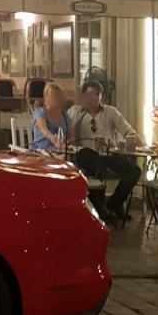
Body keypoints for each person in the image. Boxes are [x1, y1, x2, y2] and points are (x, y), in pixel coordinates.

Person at [67, 81, 142, 222]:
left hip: (109, 154)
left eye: (97, 94)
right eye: (90, 94)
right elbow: (64, 129)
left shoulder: (110, 112)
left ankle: (115, 203)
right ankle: (98, 210)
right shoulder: (75, 112)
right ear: (84, 96)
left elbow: (129, 132)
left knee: (134, 171)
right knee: (95, 170)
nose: (94, 98)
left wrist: (143, 146)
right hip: (87, 156)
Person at [31, 82, 69, 153]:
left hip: (61, 151)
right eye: (55, 96)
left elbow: (71, 135)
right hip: (42, 151)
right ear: (47, 99)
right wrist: (54, 140)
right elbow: (45, 131)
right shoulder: (40, 112)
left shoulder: (64, 114)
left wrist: (69, 146)